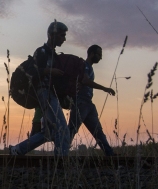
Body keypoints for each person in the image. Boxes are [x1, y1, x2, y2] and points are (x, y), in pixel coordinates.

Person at [9, 21, 71, 157]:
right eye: (62, 35)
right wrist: (50, 71)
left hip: (49, 94)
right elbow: (32, 72)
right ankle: (61, 162)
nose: (64, 39)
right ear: (52, 35)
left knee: (49, 133)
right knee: (62, 129)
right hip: (44, 94)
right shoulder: (41, 52)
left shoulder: (54, 55)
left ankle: (18, 150)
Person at [68, 45, 115, 156]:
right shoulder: (85, 66)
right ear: (92, 54)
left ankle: (109, 153)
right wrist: (104, 88)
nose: (101, 58)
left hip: (88, 103)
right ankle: (61, 154)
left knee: (97, 130)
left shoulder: (89, 67)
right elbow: (85, 80)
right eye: (99, 55)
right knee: (71, 129)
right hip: (81, 102)